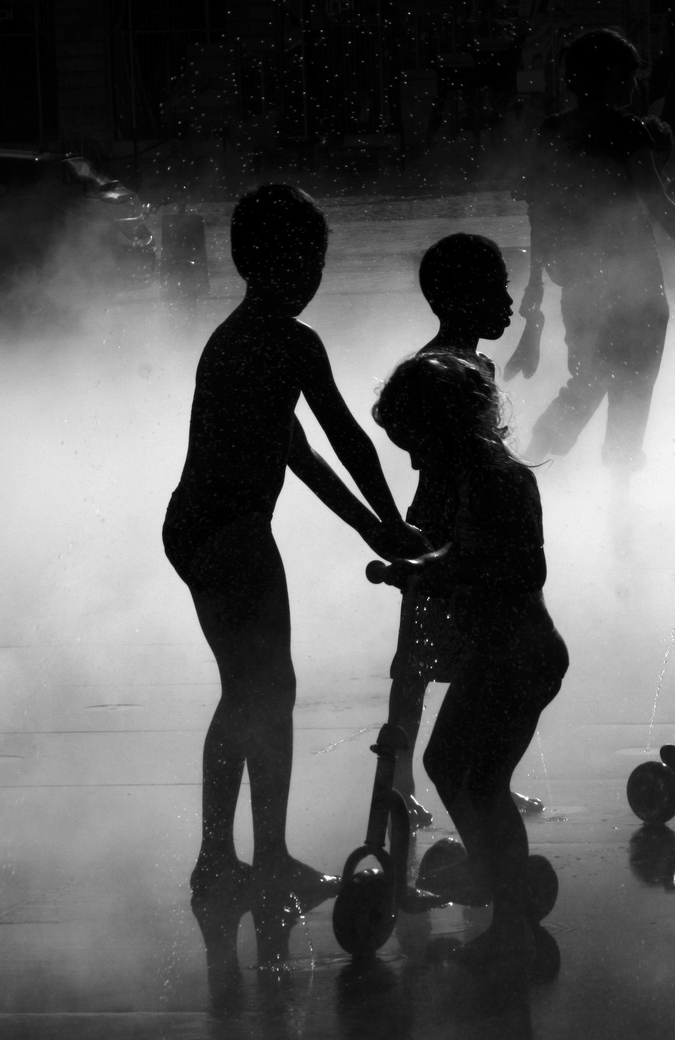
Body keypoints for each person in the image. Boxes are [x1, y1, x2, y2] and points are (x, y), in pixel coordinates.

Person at [164, 183, 421, 897]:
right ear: (282, 262)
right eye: (311, 262)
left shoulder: (236, 338)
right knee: (267, 691)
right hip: (231, 532)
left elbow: (302, 458)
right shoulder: (290, 343)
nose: (315, 278)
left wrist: (375, 527)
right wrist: (393, 522)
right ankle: (262, 858)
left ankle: (221, 857)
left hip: (196, 527)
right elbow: (348, 440)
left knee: (249, 690)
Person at [371, 353, 569, 969]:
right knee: (447, 762)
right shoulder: (470, 476)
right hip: (497, 655)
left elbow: (521, 567)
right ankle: (491, 871)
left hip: (521, 655)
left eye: (415, 445)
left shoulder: (500, 478)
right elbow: (468, 555)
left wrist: (428, 571)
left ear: (446, 428)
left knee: (483, 781)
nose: (412, 460)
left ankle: (509, 919)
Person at [511, 28, 675, 472]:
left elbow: (540, 213)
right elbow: (662, 206)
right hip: (636, 282)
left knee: (585, 381)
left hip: (579, 282)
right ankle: (618, 505)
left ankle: (527, 463)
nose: (635, 86)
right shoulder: (627, 131)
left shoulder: (554, 132)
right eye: (631, 75)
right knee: (634, 390)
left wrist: (536, 283)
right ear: (615, 76)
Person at [385, 233, 545, 827]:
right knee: (418, 659)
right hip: (440, 524)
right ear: (454, 298)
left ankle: (487, 774)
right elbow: (410, 437)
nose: (507, 300)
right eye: (495, 288)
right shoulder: (432, 369)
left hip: (471, 522)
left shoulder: (477, 363)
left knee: (481, 651)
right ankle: (400, 778)